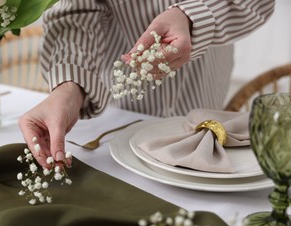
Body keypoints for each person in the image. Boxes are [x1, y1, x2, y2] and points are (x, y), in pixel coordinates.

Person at [18, 0, 275, 167]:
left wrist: (193, 17)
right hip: (120, 97)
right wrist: (70, 86)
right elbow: (76, 11)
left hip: (204, 77)